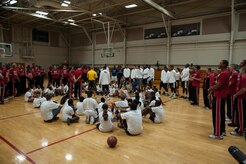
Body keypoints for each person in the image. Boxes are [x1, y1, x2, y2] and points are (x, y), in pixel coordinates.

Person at [208, 60, 230, 139]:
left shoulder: (224, 73)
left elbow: (219, 85)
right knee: (221, 114)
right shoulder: (225, 73)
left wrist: (211, 88)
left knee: (217, 114)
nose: (218, 64)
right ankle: (222, 130)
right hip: (221, 95)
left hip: (219, 96)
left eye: (220, 63)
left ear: (224, 64)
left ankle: (217, 133)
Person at [230, 62, 246, 136]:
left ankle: (240, 130)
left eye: (241, 70)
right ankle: (241, 127)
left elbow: (243, 89)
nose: (239, 71)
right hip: (241, 98)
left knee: (241, 114)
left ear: (243, 71)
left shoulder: (244, 78)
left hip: (241, 98)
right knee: (242, 114)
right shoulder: (242, 77)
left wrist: (236, 94)